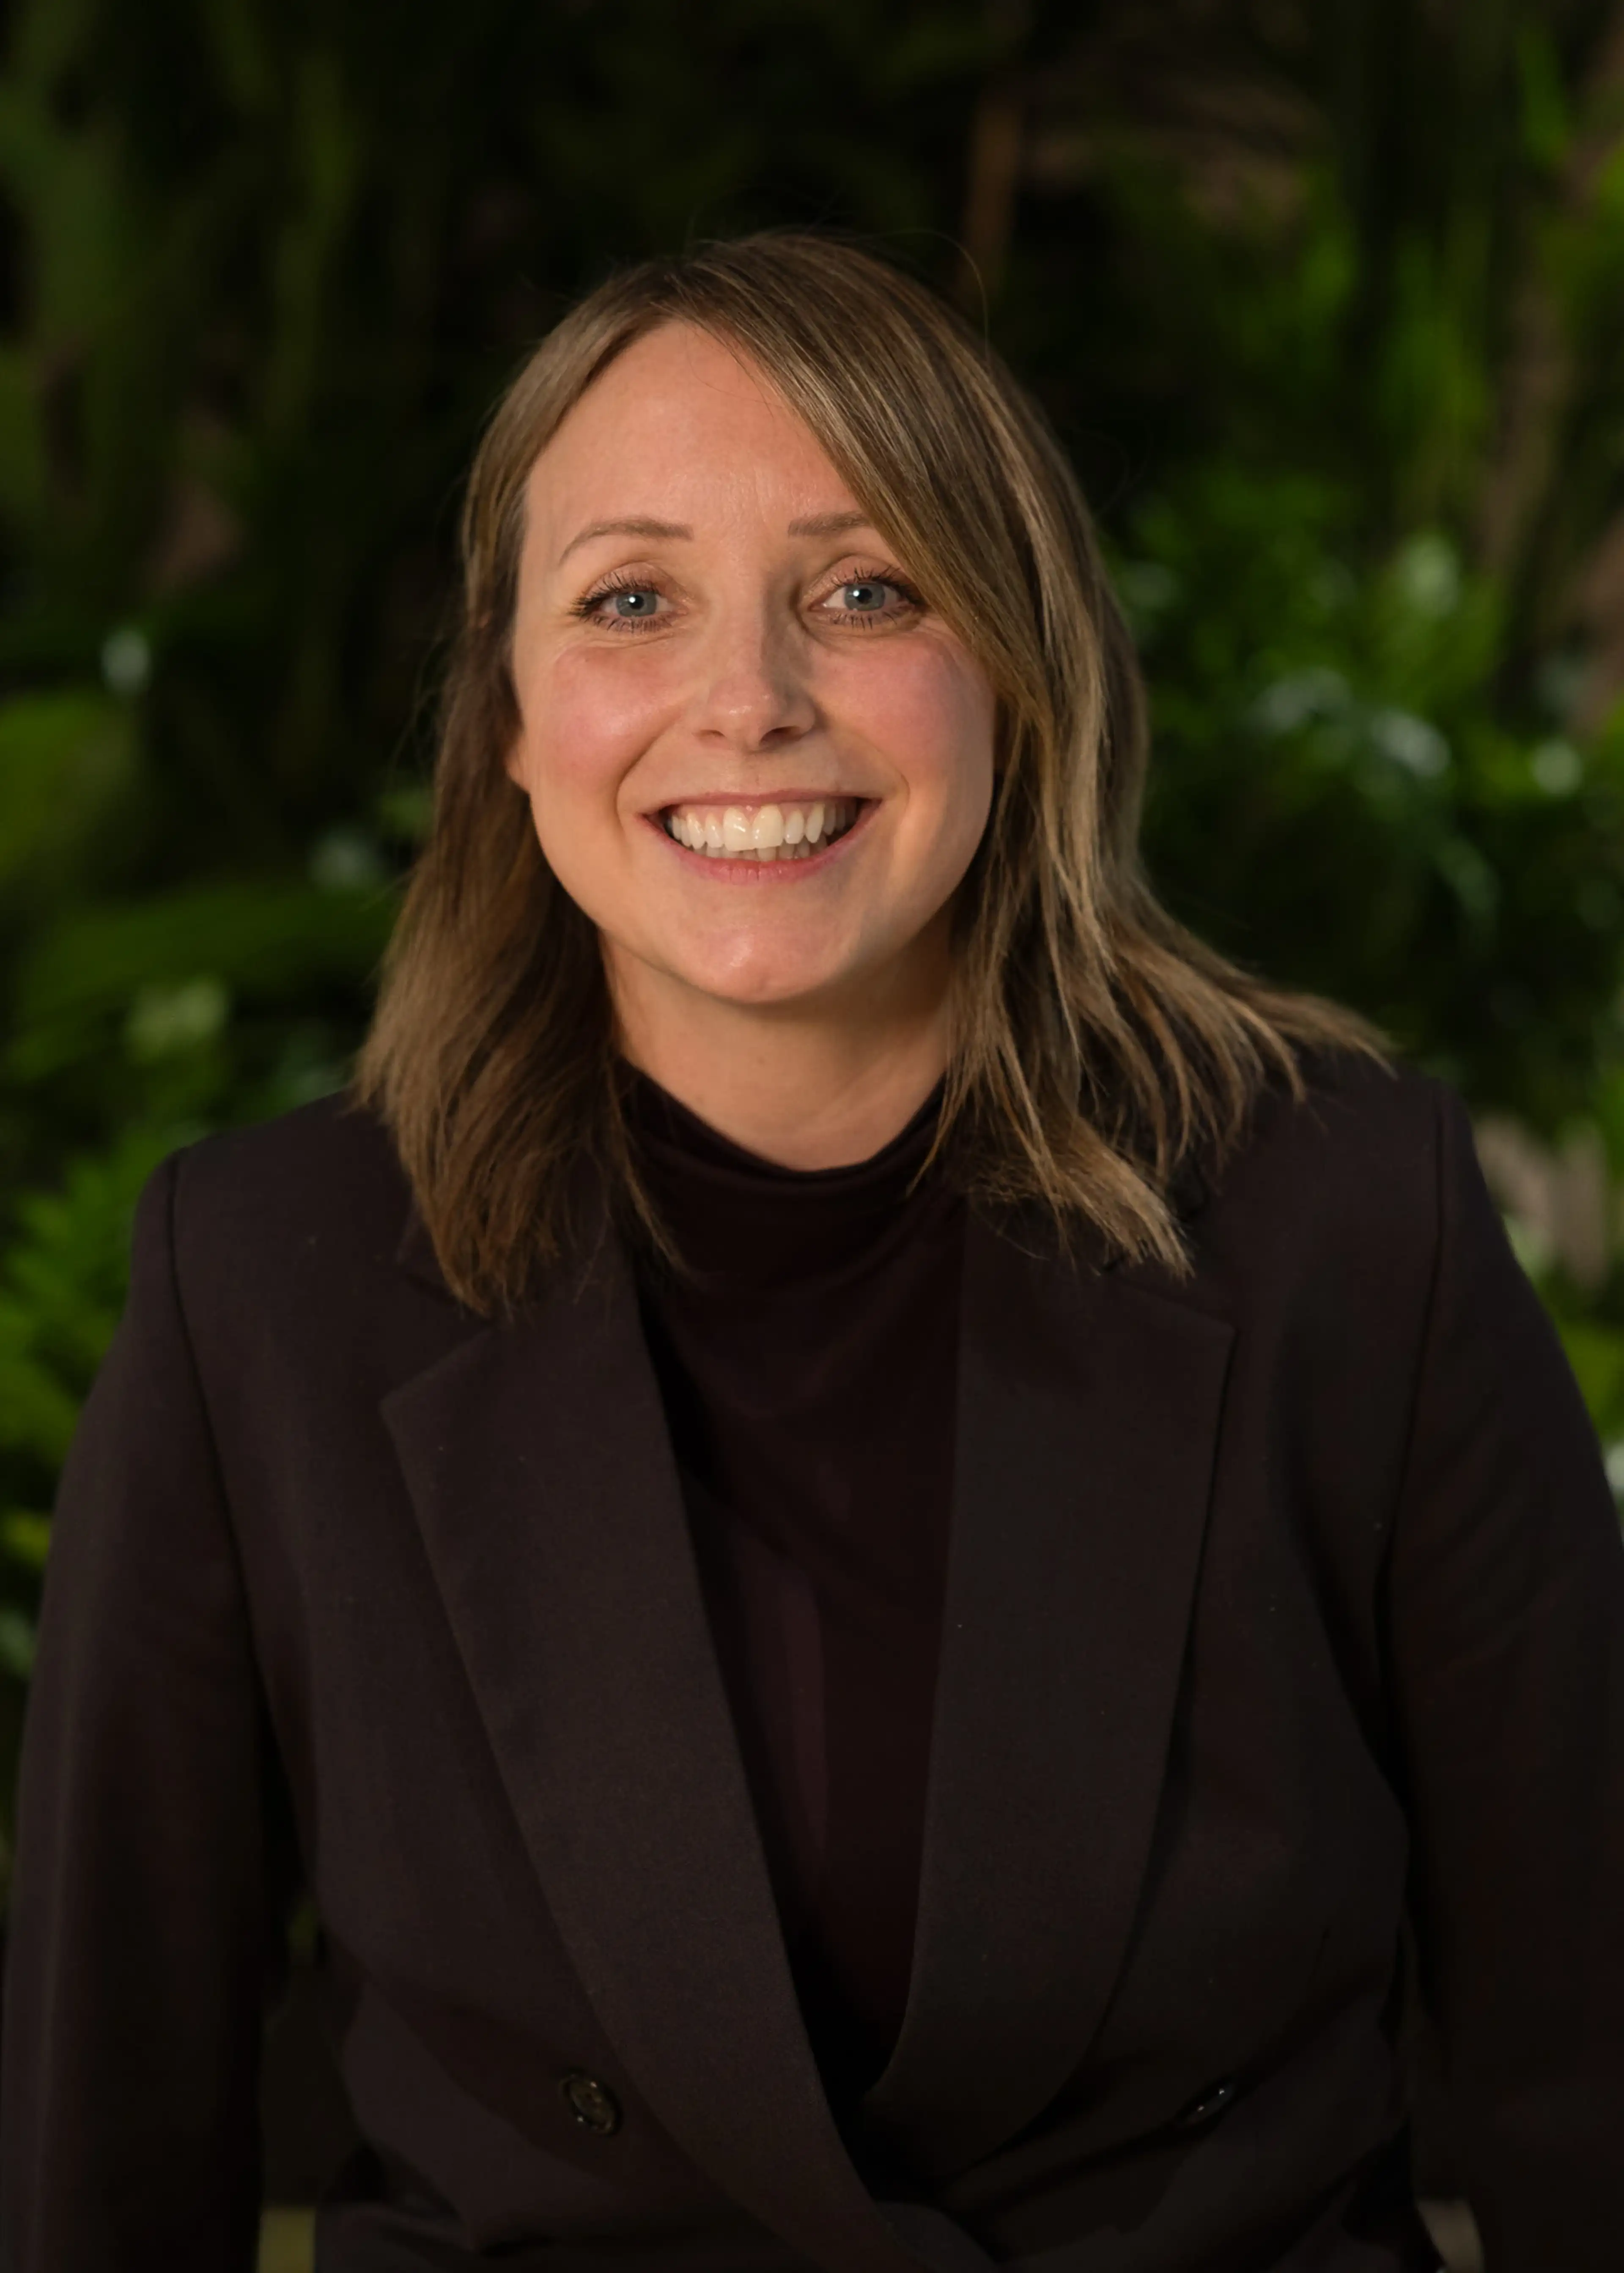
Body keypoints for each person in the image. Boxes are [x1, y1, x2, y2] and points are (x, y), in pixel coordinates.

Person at [1, 232, 1620, 2273]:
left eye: (864, 592)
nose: (748, 702)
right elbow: (105, 2139)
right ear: (510, 714)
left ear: (1016, 674)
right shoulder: (257, 1288)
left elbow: (1595, 2059)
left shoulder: (1347, 1221)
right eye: (630, 600)